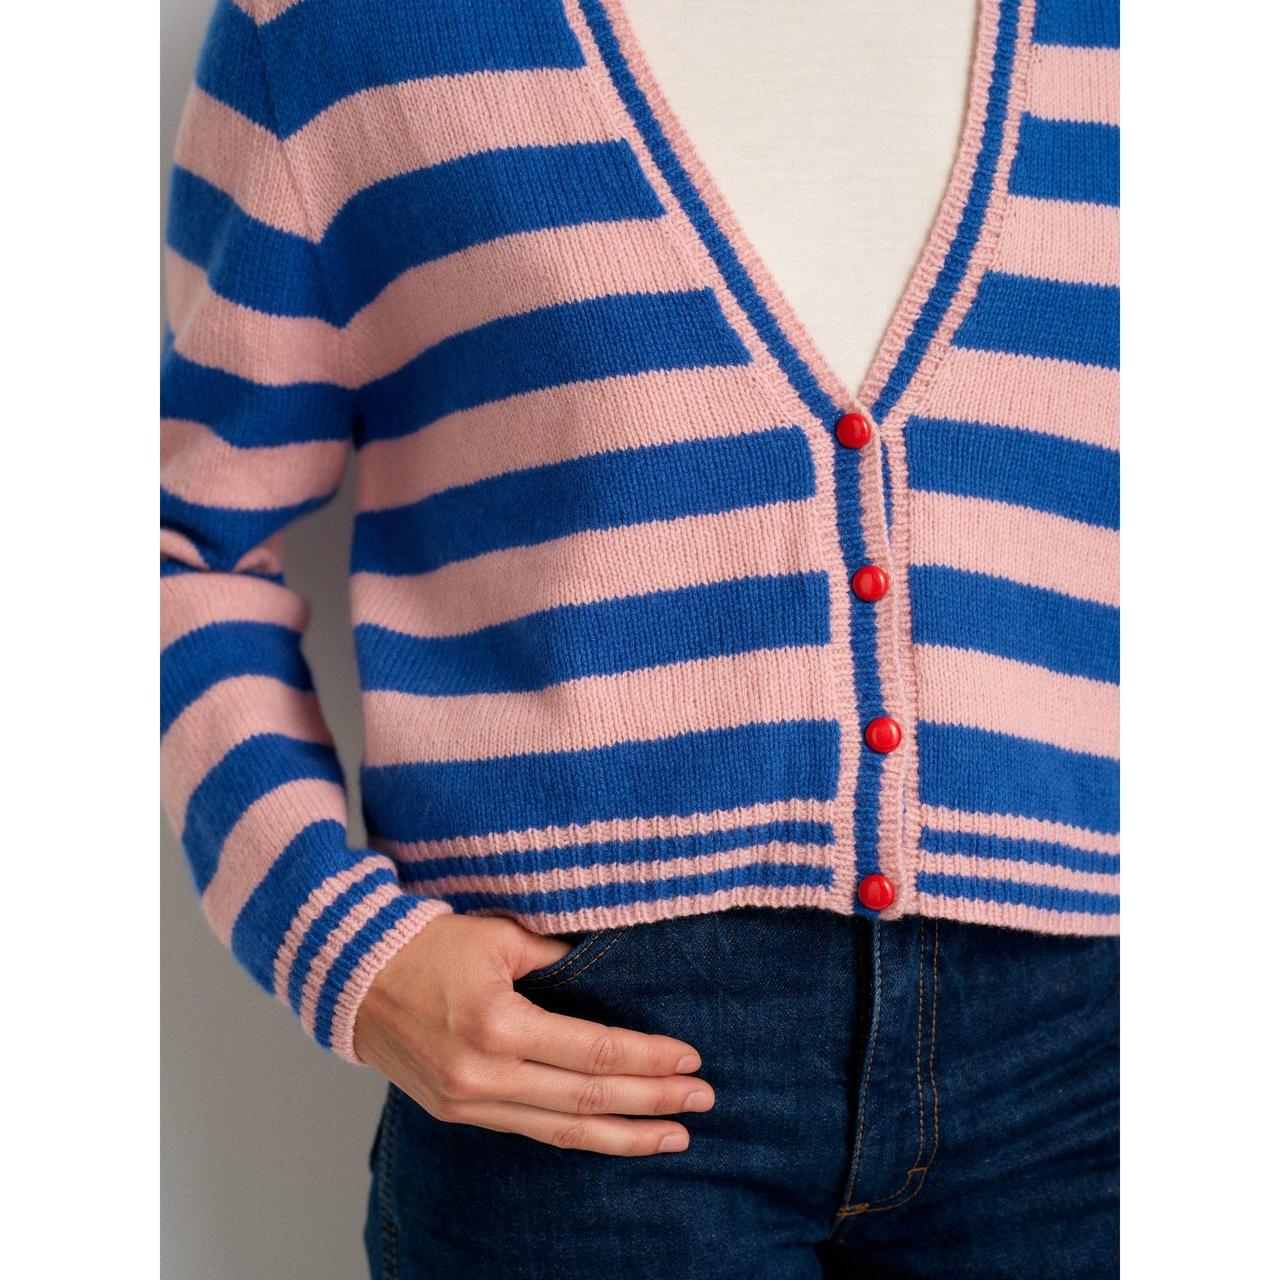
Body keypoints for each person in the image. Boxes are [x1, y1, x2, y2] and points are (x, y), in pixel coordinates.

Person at [160, 0, 1119, 1275]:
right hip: (571, 1058)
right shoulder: (335, 28)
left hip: (1093, 1071)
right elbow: (179, 544)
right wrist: (340, 945)